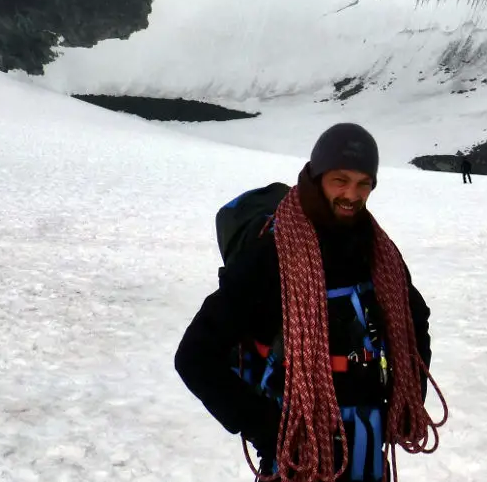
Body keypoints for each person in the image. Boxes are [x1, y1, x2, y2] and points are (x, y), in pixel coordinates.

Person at [175, 123, 443, 481]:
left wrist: (410, 394)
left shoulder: (378, 252)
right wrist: (270, 431)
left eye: (364, 183)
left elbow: (415, 320)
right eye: (340, 180)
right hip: (299, 456)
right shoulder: (272, 256)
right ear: (318, 177)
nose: (352, 194)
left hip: (366, 445)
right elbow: (195, 356)